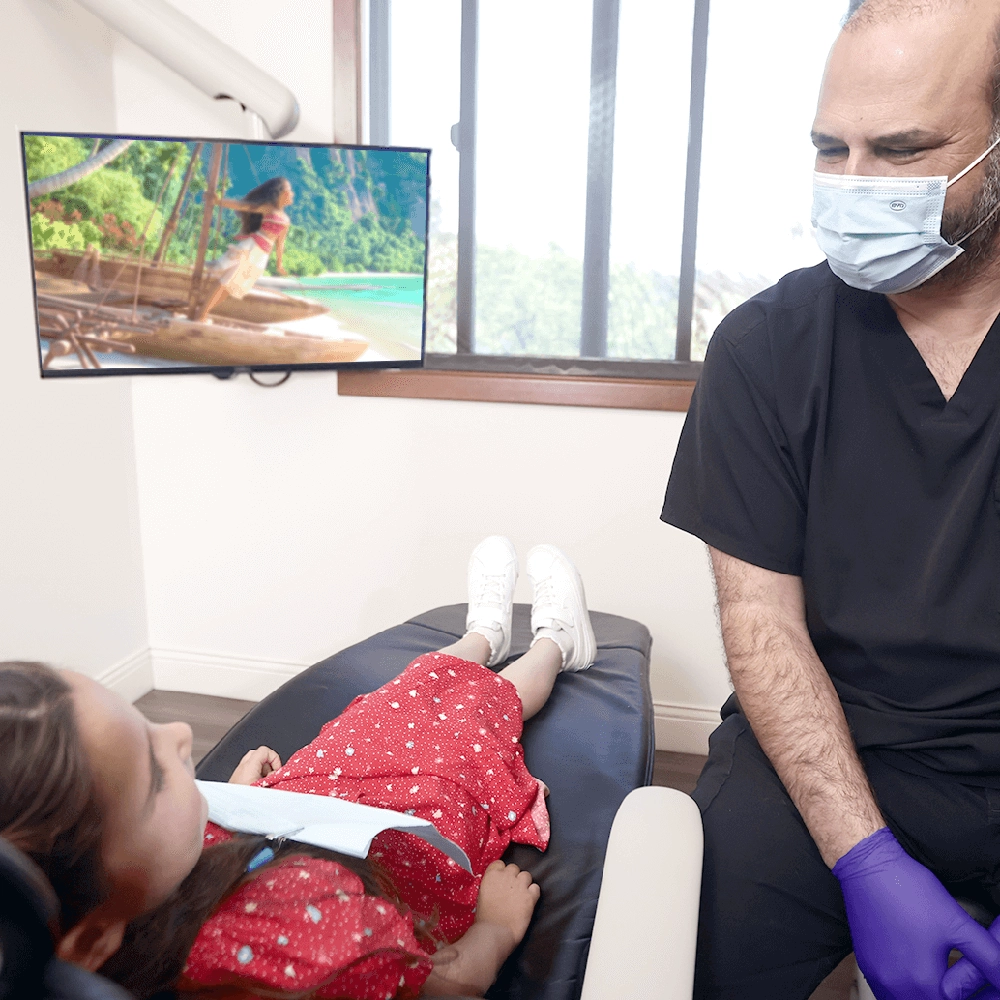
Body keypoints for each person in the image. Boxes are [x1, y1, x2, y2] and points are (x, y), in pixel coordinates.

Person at [660, 1, 1000, 998]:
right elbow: (760, 623)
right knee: (695, 948)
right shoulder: (763, 350)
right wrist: (868, 862)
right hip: (832, 744)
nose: (850, 187)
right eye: (828, 147)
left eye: (899, 151)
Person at [0, 537, 596, 1000]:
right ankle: (554, 645)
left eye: (144, 723)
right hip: (407, 842)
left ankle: (482, 636)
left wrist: (229, 805)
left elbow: (177, 849)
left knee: (387, 707)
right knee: (474, 725)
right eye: (155, 778)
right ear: (89, 940)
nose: (180, 733)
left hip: (307, 803)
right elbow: (451, 984)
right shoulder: (319, 954)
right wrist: (495, 928)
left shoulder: (133, 893)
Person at [195, 176, 294, 321]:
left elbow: (280, 243)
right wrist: (217, 201)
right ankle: (201, 314)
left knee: (230, 286)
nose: (292, 194)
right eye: (290, 190)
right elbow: (242, 205)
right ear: (282, 192)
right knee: (225, 281)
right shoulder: (268, 208)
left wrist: (280, 263)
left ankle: (203, 312)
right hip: (250, 248)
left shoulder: (286, 220)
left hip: (262, 255)